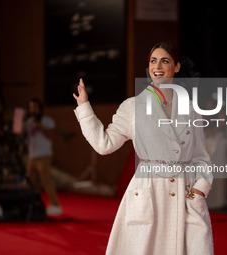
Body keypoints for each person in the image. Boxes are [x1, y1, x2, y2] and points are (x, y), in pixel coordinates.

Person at [73, 41, 213, 254]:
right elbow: (104, 144)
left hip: (185, 195)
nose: (157, 66)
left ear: (176, 67)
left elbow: (201, 157)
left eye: (164, 60)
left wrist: (199, 190)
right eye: (152, 61)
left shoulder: (192, 109)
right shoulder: (133, 106)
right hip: (149, 191)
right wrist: (84, 108)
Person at [25, 98, 62, 216]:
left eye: (35, 107)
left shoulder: (47, 121)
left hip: (44, 154)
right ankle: (30, 204)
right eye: (31, 107)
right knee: (30, 181)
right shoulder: (28, 122)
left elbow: (53, 136)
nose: (33, 110)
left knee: (46, 180)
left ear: (40, 108)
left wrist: (42, 128)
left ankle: (55, 205)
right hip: (32, 155)